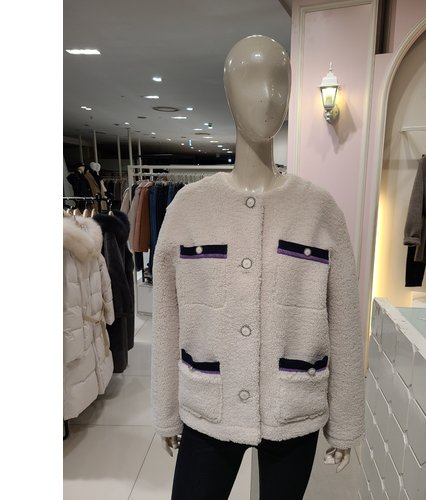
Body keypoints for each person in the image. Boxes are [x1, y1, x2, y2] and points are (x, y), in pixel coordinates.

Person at [151, 35, 364, 499]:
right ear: (227, 93)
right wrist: (166, 411)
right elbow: (167, 316)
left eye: (279, 82)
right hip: (208, 404)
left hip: (293, 407)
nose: (268, 95)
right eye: (250, 80)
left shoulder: (319, 209)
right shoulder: (188, 208)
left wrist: (345, 421)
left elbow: (346, 322)